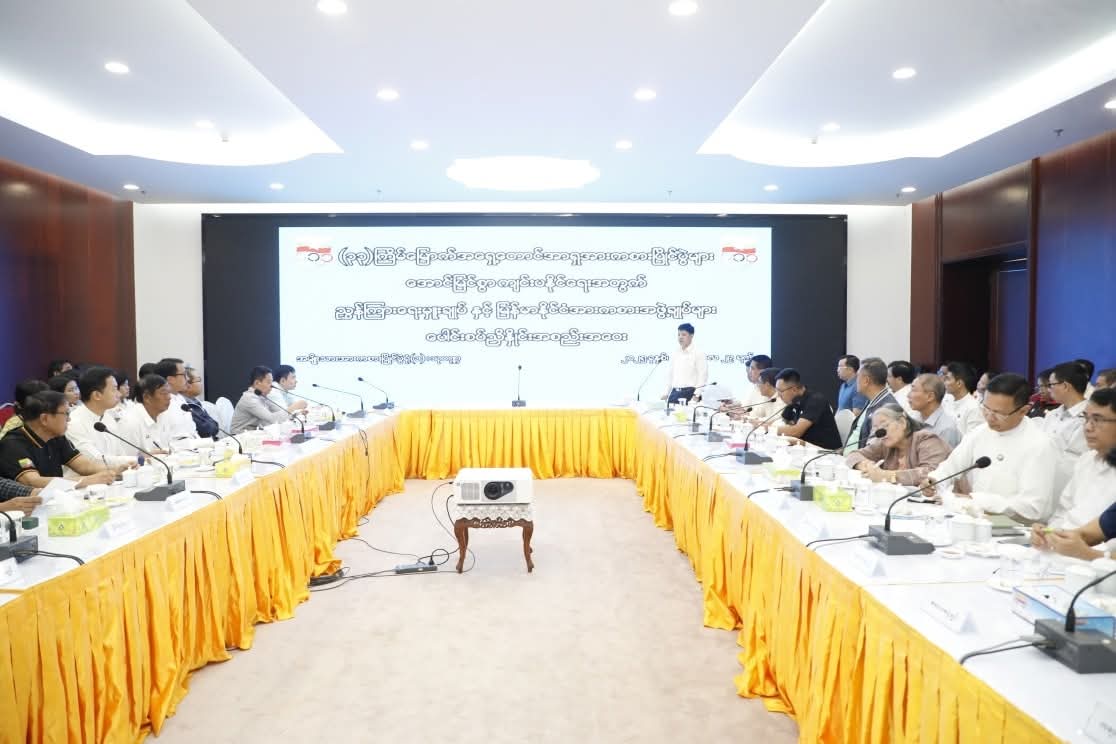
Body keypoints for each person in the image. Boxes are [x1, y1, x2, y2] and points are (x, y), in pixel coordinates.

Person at [925, 373, 1061, 523]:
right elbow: (951, 467)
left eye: (998, 413)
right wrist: (934, 481)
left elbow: (1033, 507)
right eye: (986, 409)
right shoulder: (980, 432)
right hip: (977, 519)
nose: (989, 417)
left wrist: (977, 500)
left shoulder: (1039, 444)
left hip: (1019, 527)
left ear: (1024, 410)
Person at [1030, 388, 1116, 551]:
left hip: (1097, 557)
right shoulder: (1086, 460)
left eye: (1097, 420)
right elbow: (1063, 513)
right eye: (1086, 418)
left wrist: (1086, 552)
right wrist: (1047, 533)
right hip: (1063, 549)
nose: (1088, 427)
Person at [0, 391, 119, 488]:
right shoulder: (13, 444)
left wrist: (117, 470)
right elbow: (33, 482)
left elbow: (84, 466)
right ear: (44, 419)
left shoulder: (56, 437)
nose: (69, 419)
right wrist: (88, 480)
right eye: (66, 413)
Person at [846, 404, 951, 485]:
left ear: (902, 423)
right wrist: (866, 465)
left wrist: (886, 476)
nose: (880, 432)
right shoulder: (885, 443)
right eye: (876, 428)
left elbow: (931, 474)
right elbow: (853, 455)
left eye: (885, 425)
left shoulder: (927, 440)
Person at [66, 366, 140, 474]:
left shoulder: (107, 417)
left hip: (113, 479)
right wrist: (133, 460)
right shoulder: (74, 423)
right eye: (114, 389)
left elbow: (119, 454)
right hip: (85, 482)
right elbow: (94, 460)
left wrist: (132, 463)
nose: (119, 394)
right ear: (97, 395)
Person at [772, 368, 842, 450]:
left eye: (780, 391)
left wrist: (771, 429)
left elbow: (796, 432)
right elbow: (783, 421)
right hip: (806, 447)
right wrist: (764, 425)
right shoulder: (794, 400)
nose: (778, 395)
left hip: (825, 451)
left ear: (794, 389)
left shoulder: (815, 400)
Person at [114, 375, 174, 455]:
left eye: (169, 392)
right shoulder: (130, 422)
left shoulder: (163, 415)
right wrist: (148, 456)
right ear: (146, 397)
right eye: (164, 393)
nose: (169, 397)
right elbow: (127, 458)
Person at [1043, 361, 1089, 460]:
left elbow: (1075, 460)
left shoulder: (1088, 419)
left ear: (1065, 386)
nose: (1049, 390)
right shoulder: (1052, 414)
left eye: (1051, 385)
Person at [231, 366, 292, 434]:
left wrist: (294, 413)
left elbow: (279, 412)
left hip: (253, 434)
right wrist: (293, 408)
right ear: (257, 383)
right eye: (268, 382)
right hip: (239, 436)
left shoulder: (262, 396)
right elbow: (272, 419)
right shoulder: (249, 399)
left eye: (272, 382)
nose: (272, 386)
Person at [851, 358, 896, 449]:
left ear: (866, 381)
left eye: (858, 376)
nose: (856, 381)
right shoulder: (871, 400)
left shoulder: (886, 409)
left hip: (860, 457)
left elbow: (875, 450)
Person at [907, 373, 961, 447]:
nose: (908, 395)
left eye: (913, 390)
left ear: (930, 396)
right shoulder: (914, 418)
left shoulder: (946, 429)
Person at [153, 358, 199, 441]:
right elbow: (174, 438)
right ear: (170, 379)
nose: (187, 379)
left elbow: (192, 431)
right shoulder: (161, 403)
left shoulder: (179, 398)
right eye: (184, 375)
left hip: (192, 445)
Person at [661, 323, 707, 404]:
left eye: (684, 334)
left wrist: (697, 394)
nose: (680, 337)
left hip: (690, 393)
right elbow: (670, 375)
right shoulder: (675, 353)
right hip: (674, 393)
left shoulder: (698, 353)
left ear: (691, 336)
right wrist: (666, 393)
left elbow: (702, 375)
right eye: (678, 335)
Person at [942, 362, 984, 434]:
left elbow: (972, 438)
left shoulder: (974, 408)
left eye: (948, 379)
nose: (944, 382)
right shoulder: (947, 398)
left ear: (959, 383)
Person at [183, 366, 220, 438]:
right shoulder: (184, 406)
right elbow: (206, 430)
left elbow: (215, 425)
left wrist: (212, 426)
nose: (202, 383)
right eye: (199, 380)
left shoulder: (196, 402)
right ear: (188, 384)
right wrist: (212, 426)